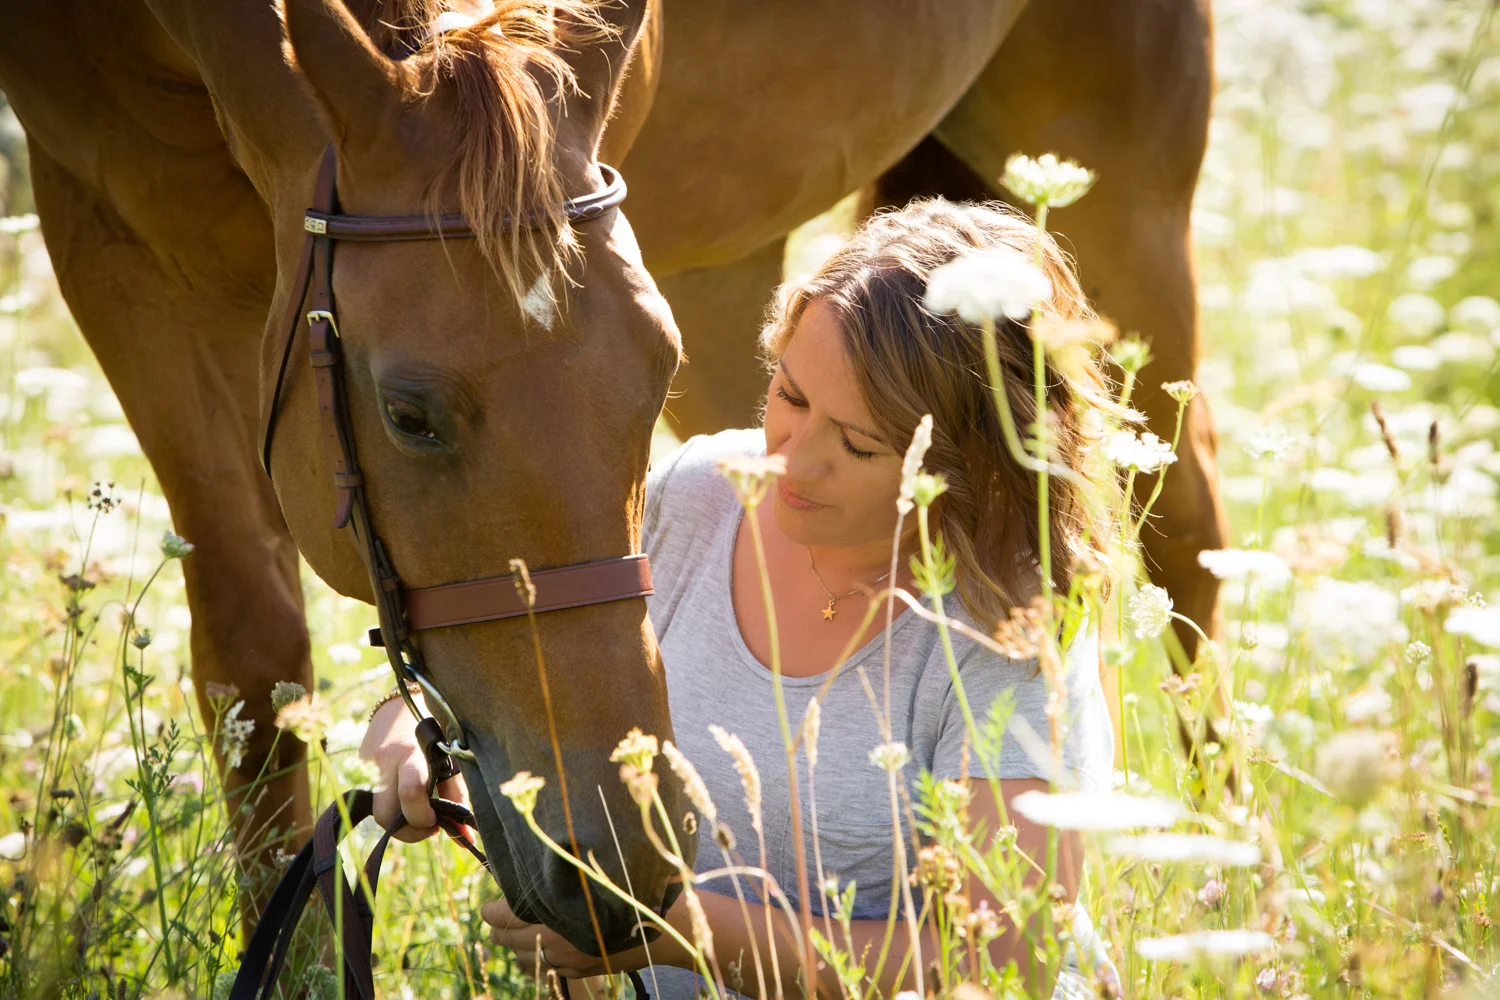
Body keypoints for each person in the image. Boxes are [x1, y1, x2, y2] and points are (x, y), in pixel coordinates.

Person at [360, 198, 1121, 998]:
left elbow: (1006, 961)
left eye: (857, 444)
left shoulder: (1007, 622)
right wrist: (418, 725)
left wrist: (672, 931)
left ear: (970, 461)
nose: (790, 460)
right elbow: (536, 647)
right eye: (790, 396)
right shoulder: (698, 494)